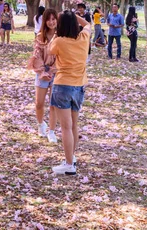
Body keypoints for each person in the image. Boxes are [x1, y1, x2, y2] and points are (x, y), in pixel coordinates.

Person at [49, 10, 91, 176]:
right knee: (73, 125)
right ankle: (71, 158)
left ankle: (68, 164)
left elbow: (50, 51)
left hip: (62, 86)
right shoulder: (83, 38)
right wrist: (75, 17)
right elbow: (87, 24)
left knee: (65, 127)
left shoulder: (59, 41)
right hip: (79, 87)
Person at [27, 8, 58, 143]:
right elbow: (37, 55)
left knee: (53, 104)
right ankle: (41, 125)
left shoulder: (61, 37)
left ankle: (51, 131)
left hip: (56, 73)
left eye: (53, 19)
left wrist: (52, 70)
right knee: (39, 103)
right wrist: (42, 71)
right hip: (42, 73)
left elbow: (62, 56)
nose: (51, 22)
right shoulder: (40, 37)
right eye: (48, 19)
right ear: (44, 21)